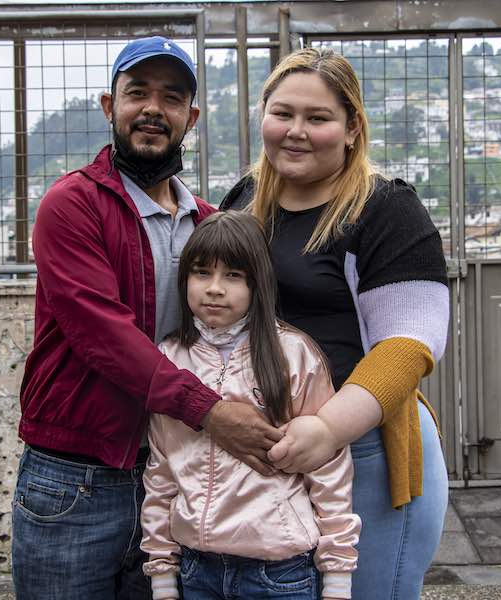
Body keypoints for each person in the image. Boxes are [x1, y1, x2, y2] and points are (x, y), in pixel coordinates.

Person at [12, 37, 283, 600]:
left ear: (192, 117)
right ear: (110, 107)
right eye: (137, 93)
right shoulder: (72, 204)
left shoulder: (208, 224)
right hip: (76, 476)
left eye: (172, 97)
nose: (154, 109)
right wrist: (210, 411)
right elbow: (102, 334)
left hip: (174, 469)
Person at [220, 47, 450, 600]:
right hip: (272, 453)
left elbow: (409, 343)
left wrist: (327, 430)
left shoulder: (384, 209)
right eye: (283, 113)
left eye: (318, 118)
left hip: (365, 449)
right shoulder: (244, 201)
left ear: (351, 129)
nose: (296, 132)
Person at [141, 211, 361, 600]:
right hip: (197, 570)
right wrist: (162, 574)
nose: (214, 288)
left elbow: (329, 470)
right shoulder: (169, 361)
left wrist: (338, 577)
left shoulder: (293, 354)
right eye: (201, 273)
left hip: (281, 572)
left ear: (258, 283)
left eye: (233, 276)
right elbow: (161, 471)